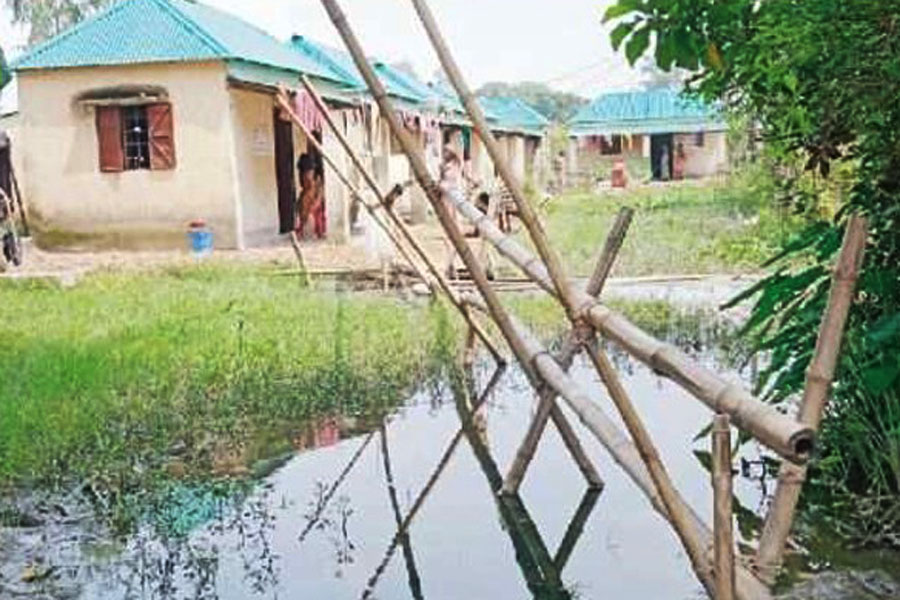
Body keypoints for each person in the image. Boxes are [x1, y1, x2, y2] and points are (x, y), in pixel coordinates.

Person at [439, 146, 465, 279]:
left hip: (453, 199)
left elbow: (451, 184)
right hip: (447, 200)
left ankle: (451, 264)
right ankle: (450, 265)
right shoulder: (446, 166)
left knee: (455, 230)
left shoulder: (455, 166)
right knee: (448, 231)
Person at [296, 153, 326, 240]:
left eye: (309, 172)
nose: (306, 176)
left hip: (315, 218)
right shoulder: (304, 192)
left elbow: (317, 203)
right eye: (304, 173)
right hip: (307, 219)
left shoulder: (317, 185)